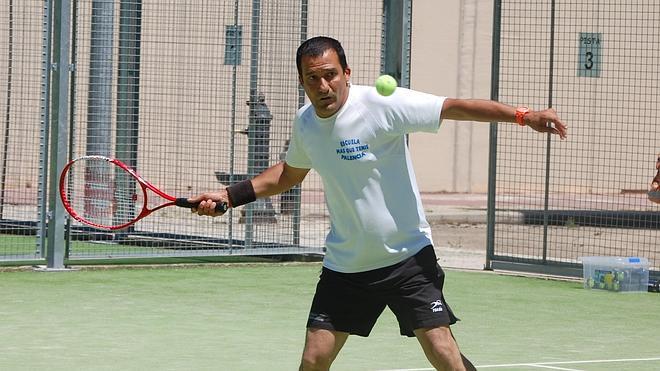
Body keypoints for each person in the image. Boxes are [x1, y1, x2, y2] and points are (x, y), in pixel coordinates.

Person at [189, 36, 568, 371]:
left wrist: (523, 116)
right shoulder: (305, 123)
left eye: (330, 74)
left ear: (347, 72)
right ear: (301, 82)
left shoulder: (383, 104)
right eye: (312, 78)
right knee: (314, 359)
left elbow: (454, 107)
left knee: (443, 353)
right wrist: (229, 196)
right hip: (346, 265)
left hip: (407, 259)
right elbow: (289, 174)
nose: (323, 85)